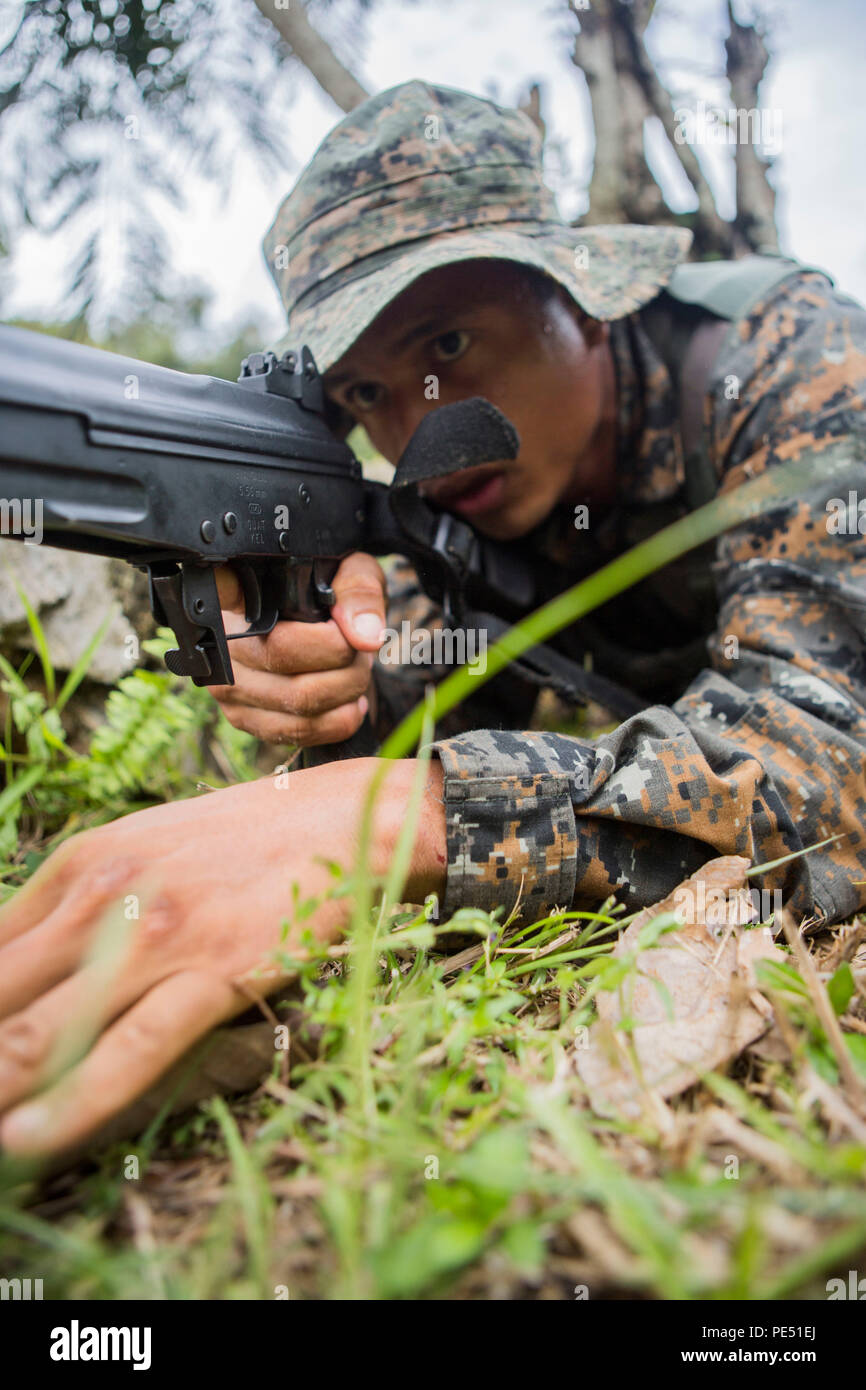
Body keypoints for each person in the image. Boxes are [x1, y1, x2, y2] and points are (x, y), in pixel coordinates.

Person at [1, 80, 864, 1159]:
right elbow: (408, 715)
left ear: (582, 297)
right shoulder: (453, 507)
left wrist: (393, 815)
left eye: (446, 344)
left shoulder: (791, 364)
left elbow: (831, 758)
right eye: (363, 394)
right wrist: (319, 691)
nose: (415, 432)